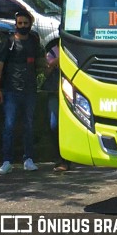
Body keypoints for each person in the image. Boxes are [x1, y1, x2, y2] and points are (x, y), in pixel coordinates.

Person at [0, 10, 46, 175]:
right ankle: (7, 161)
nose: (22, 26)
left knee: (29, 125)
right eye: (19, 23)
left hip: (30, 91)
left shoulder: (34, 41)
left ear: (30, 23)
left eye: (25, 23)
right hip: (10, 91)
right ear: (15, 24)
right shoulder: (9, 42)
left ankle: (28, 159)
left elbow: (41, 65)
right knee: (8, 126)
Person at [42, 44, 71, 172]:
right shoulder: (53, 52)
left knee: (69, 126)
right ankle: (59, 158)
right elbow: (45, 71)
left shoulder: (73, 50)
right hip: (54, 93)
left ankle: (67, 159)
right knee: (54, 125)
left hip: (70, 94)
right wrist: (56, 61)